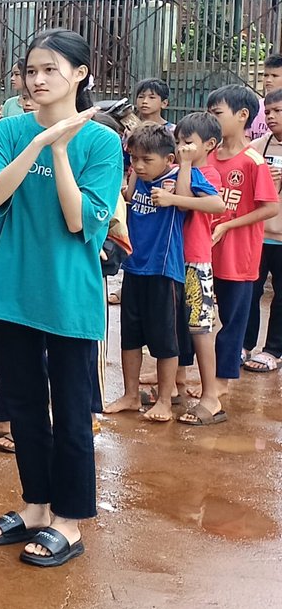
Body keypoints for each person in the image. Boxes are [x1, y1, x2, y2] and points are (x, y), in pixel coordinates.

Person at [0, 30, 123, 569]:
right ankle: (36, 505)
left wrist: (60, 149)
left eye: (49, 70)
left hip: (68, 298)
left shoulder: (101, 142)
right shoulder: (11, 130)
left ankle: (69, 520)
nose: (36, 80)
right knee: (23, 407)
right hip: (11, 294)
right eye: (30, 70)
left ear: (80, 74)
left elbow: (80, 219)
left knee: (73, 411)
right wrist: (38, 143)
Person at [107, 124, 222, 421]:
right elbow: (129, 195)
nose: (139, 165)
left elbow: (216, 204)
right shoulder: (138, 177)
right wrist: (133, 169)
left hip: (164, 270)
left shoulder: (182, 175)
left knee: (165, 340)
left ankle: (165, 401)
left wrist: (177, 186)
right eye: (134, 159)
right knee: (130, 337)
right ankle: (131, 395)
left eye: (147, 160)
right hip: (134, 267)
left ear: (168, 159)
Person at [204, 84, 281, 384]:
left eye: (217, 113)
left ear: (242, 115)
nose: (211, 119)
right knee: (197, 317)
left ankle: (221, 383)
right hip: (204, 252)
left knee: (233, 321)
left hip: (238, 256)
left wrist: (227, 225)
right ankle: (187, 377)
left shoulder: (253, 161)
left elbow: (269, 207)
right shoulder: (207, 156)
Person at [171, 113, 224, 422]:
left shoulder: (208, 174)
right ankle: (176, 384)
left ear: (209, 144)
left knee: (200, 329)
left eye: (188, 142)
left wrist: (186, 167)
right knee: (177, 324)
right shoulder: (182, 169)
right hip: (175, 259)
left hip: (195, 259)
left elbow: (191, 202)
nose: (182, 148)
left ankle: (211, 396)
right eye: (179, 142)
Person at [244, 89, 282, 371]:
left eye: (278, 111)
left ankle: (273, 350)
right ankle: (244, 345)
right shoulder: (256, 147)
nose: (271, 117)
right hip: (257, 234)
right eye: (267, 112)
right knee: (249, 292)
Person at [247, 54, 282, 139]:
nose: (268, 80)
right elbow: (246, 136)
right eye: (266, 75)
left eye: (274, 76)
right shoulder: (256, 106)